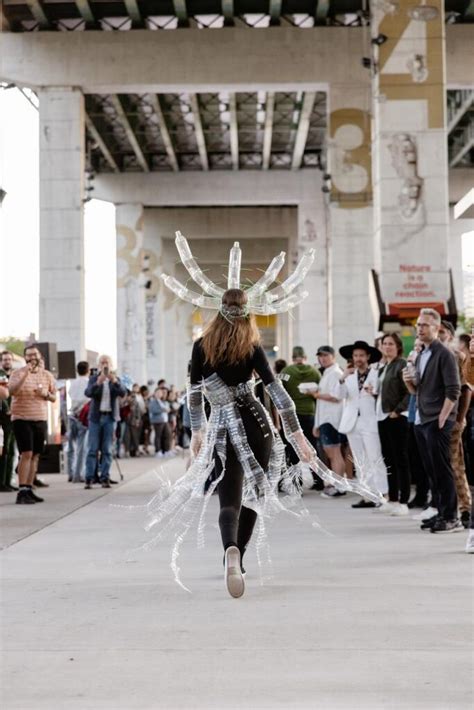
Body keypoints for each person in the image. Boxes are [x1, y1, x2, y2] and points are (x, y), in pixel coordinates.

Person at [403, 308, 461, 533]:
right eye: (418, 325)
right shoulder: (421, 353)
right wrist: (408, 381)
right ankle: (439, 512)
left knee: (442, 469)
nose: (420, 328)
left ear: (437, 328)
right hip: (421, 417)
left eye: (425, 325)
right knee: (431, 470)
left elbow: (453, 389)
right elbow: (416, 389)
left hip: (436, 419)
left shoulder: (444, 353)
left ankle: (451, 517)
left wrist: (442, 418)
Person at [336, 340, 388, 508]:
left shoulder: (376, 373)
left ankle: (382, 494)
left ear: (368, 357)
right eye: (356, 355)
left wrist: (375, 393)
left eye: (361, 355)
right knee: (360, 459)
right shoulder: (348, 376)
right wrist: (343, 378)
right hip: (353, 422)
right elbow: (339, 395)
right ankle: (367, 494)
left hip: (370, 420)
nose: (358, 358)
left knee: (375, 457)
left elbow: (381, 394)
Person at [8, 345, 56, 505]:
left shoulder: (47, 375)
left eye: (35, 355)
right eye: (29, 356)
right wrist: (25, 375)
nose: (32, 358)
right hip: (21, 418)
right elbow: (12, 391)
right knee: (26, 454)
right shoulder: (17, 373)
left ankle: (29, 488)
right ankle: (22, 491)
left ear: (40, 356)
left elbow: (54, 397)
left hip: (39, 418)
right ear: (25, 358)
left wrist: (46, 395)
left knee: (35, 455)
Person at [438, 320, 472, 528]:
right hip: (434, 421)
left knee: (455, 465)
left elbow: (466, 389)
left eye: (442, 332)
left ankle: (465, 509)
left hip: (452, 421)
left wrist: (459, 420)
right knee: (440, 468)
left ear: (449, 335)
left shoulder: (456, 357)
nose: (438, 335)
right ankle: (445, 510)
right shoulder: (430, 356)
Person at [374, 333, 410, 516]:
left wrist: (397, 410)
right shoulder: (384, 367)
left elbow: (409, 391)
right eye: (384, 344)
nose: (387, 347)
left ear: (397, 346)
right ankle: (393, 498)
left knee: (400, 460)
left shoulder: (402, 364)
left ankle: (403, 502)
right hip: (382, 416)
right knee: (388, 460)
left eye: (390, 344)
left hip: (396, 417)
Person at [280, 346, 322, 489]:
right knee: (312, 447)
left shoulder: (286, 372)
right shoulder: (315, 372)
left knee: (293, 449)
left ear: (292, 357)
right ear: (305, 357)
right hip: (310, 413)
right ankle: (318, 480)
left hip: (292, 416)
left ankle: (296, 482)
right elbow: (319, 393)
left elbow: (279, 391)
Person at [84, 355, 126, 489]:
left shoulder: (115, 379)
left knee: (107, 449)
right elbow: (88, 393)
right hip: (96, 418)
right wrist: (98, 383)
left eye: (107, 362)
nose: (104, 365)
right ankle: (90, 478)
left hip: (110, 418)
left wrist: (114, 381)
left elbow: (123, 392)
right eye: (102, 363)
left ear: (111, 365)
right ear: (98, 365)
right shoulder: (93, 379)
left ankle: (105, 477)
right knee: (92, 449)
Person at [312, 346, 346, 493]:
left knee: (335, 452)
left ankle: (339, 485)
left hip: (333, 419)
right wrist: (317, 423)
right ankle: (336, 483)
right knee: (330, 452)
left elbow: (336, 396)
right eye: (320, 356)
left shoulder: (336, 373)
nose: (322, 358)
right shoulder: (327, 373)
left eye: (326, 355)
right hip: (325, 418)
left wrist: (316, 395)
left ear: (333, 356)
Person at [67, 361, 90, 483]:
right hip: (82, 416)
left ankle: (70, 472)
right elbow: (88, 398)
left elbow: (70, 395)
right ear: (88, 370)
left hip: (72, 415)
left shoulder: (72, 383)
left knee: (71, 446)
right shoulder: (88, 383)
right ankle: (78, 474)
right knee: (81, 447)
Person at [0, 351, 16, 492]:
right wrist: (6, 409)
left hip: (15, 416)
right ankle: (1, 482)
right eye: (5, 360)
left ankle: (7, 480)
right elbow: (3, 396)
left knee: (11, 451)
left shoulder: (14, 375)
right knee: (4, 450)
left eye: (9, 359)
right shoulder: (0, 375)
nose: (7, 362)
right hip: (4, 416)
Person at [149, 387, 172, 457]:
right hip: (158, 421)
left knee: (167, 435)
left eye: (160, 393)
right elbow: (153, 410)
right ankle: (158, 450)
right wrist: (163, 410)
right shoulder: (153, 401)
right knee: (158, 436)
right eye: (158, 393)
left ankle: (166, 450)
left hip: (165, 420)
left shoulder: (163, 401)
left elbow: (167, 409)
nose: (159, 394)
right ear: (155, 393)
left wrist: (166, 409)